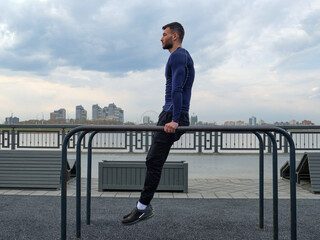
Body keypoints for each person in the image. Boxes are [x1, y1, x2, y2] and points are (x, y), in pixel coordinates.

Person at [122, 22, 195, 225]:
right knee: (153, 160)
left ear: (175, 36)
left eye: (164, 34)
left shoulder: (179, 55)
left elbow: (178, 89)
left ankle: (143, 208)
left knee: (153, 160)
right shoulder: (179, 56)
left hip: (173, 114)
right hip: (170, 113)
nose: (161, 38)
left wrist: (174, 119)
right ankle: (142, 206)